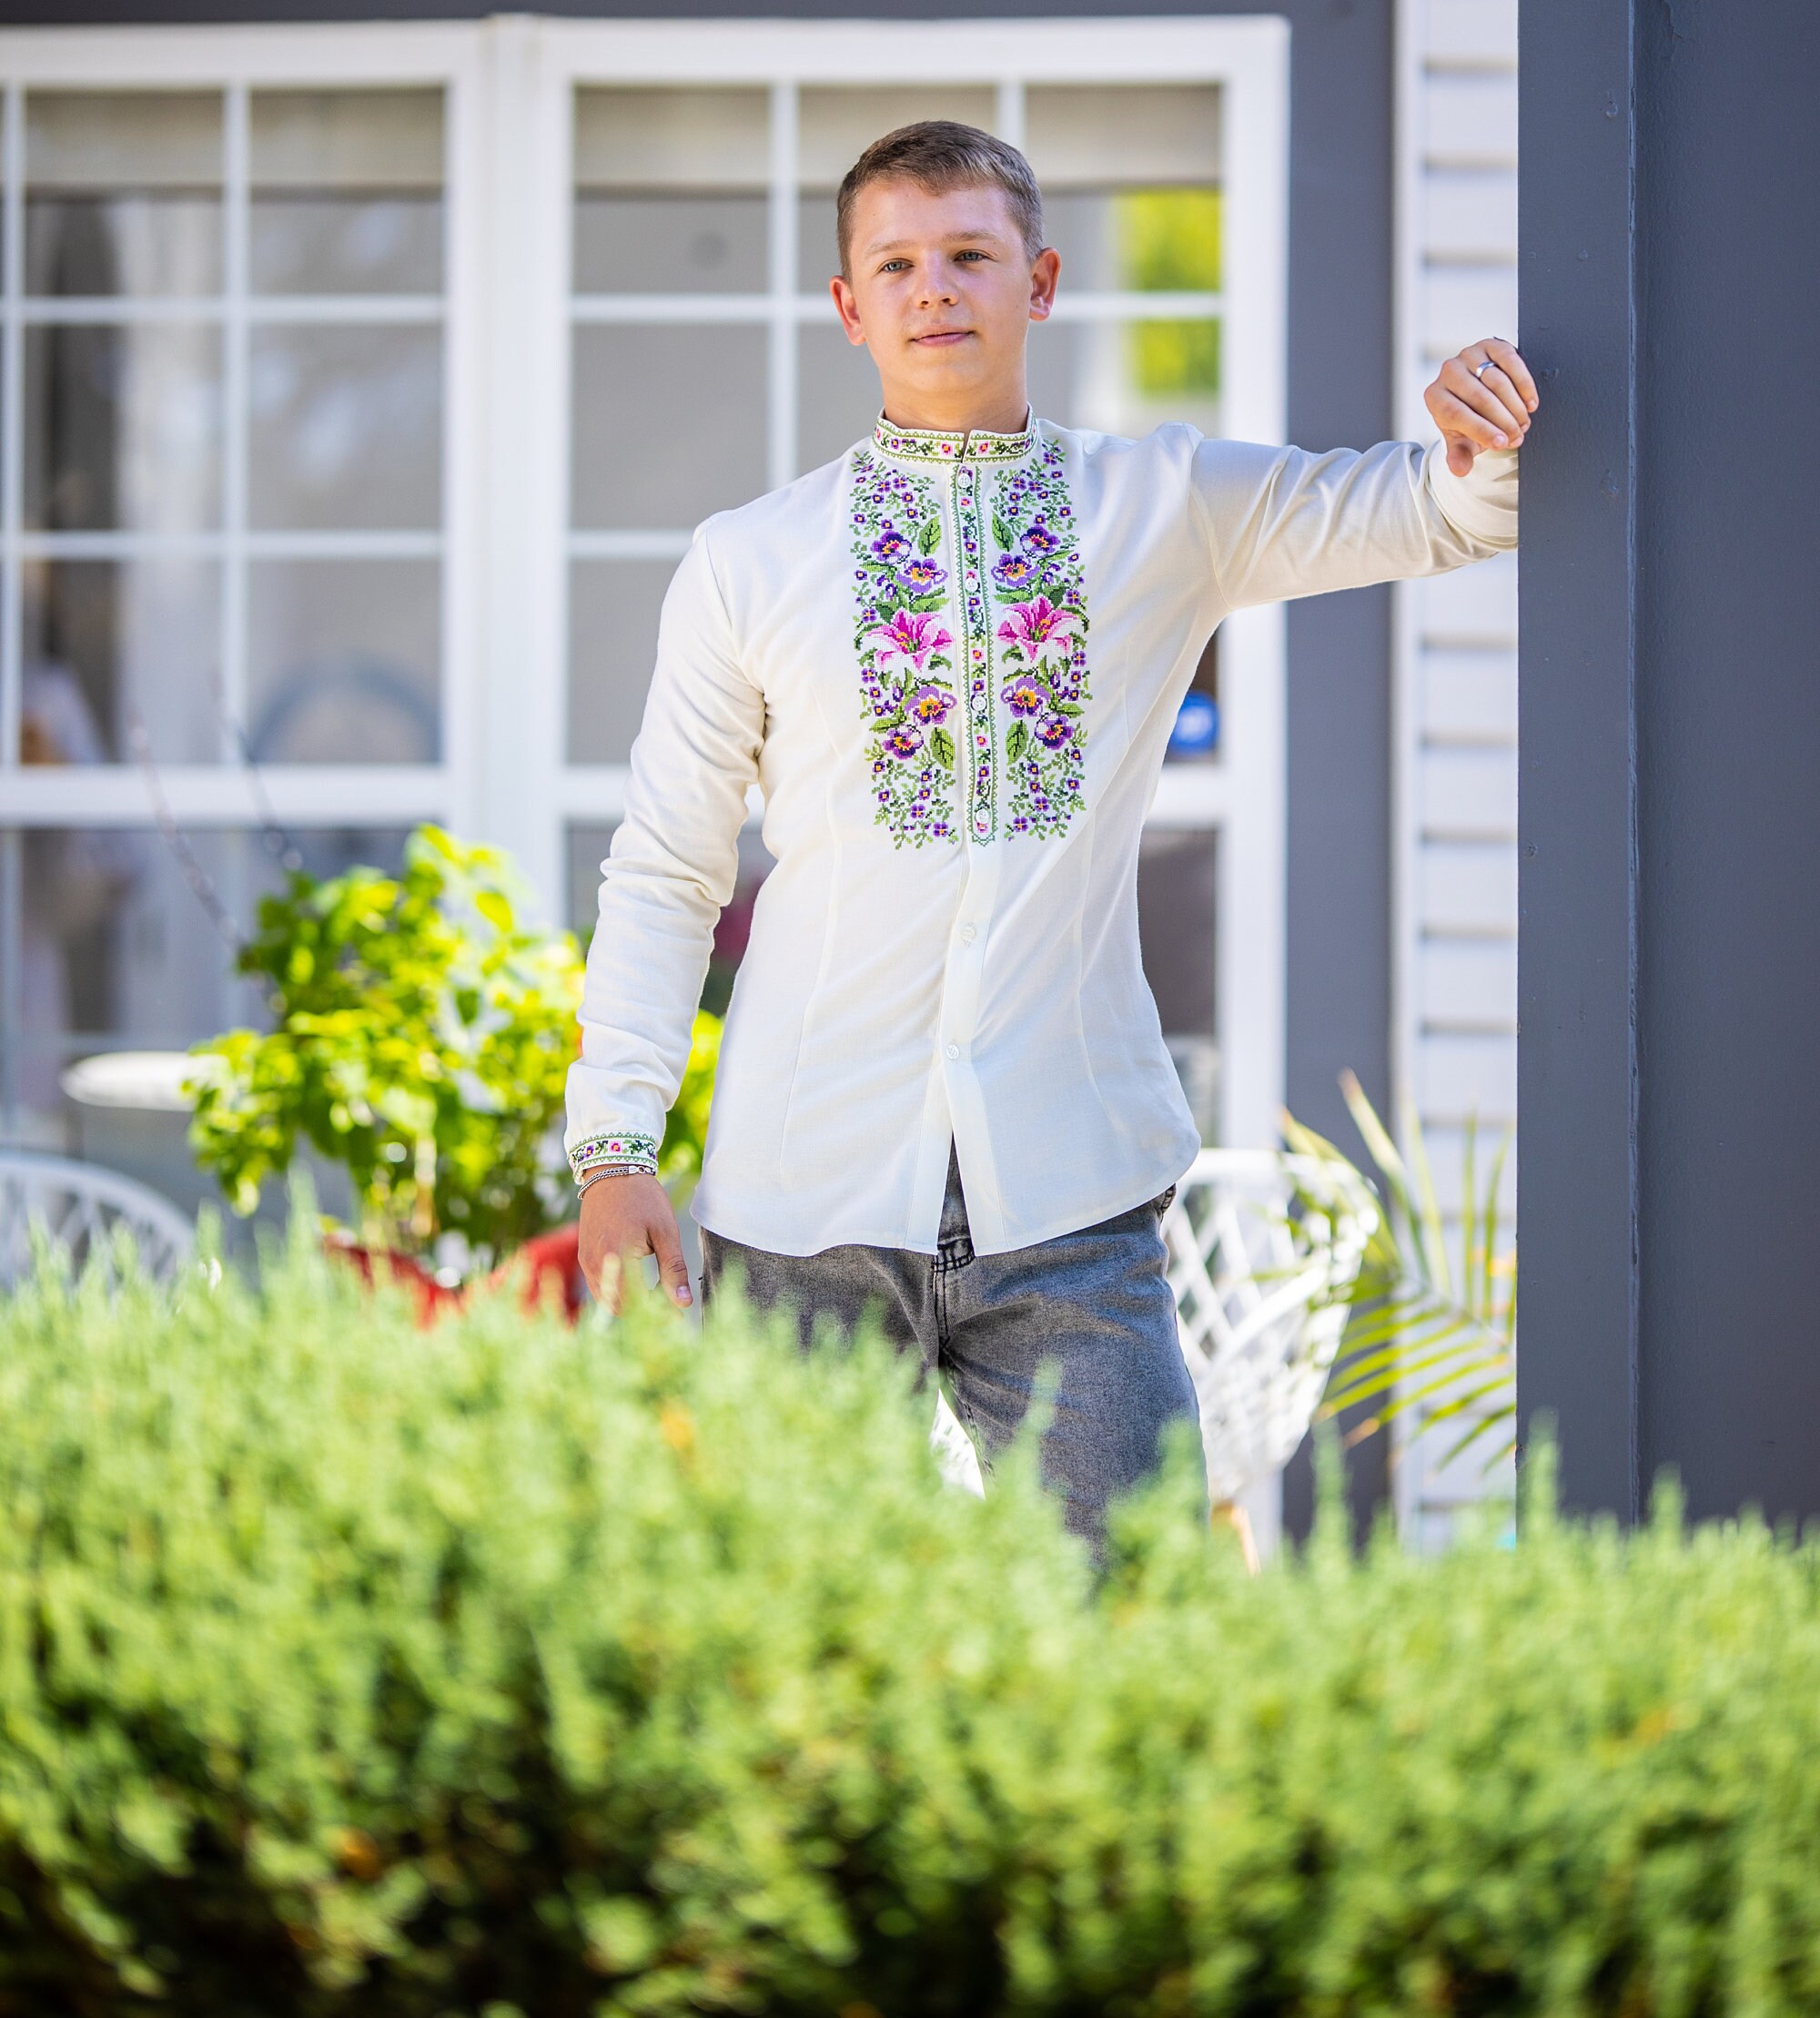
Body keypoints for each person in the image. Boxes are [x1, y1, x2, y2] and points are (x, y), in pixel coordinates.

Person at [569, 119, 1532, 1543]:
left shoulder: (1164, 507)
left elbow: (1434, 515)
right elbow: (666, 870)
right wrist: (614, 1148)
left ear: (1042, 280)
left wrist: (1475, 442)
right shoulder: (748, 562)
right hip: (802, 1201)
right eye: (895, 264)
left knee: (1137, 1601)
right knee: (813, 1631)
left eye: (970, 253)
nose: (934, 289)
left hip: (1074, 1201)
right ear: (848, 305)